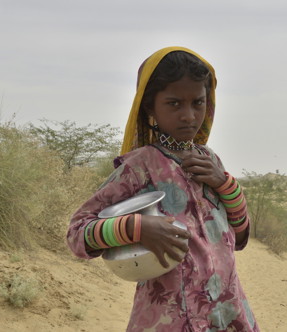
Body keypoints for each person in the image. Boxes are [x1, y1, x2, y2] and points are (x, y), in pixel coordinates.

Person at [66, 46, 259, 331]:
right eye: (174, 103)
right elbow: (77, 233)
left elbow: (240, 234)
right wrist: (139, 228)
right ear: (150, 106)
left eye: (198, 102)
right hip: (170, 319)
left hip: (228, 313)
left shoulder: (211, 160)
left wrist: (225, 184)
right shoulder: (141, 166)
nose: (189, 115)